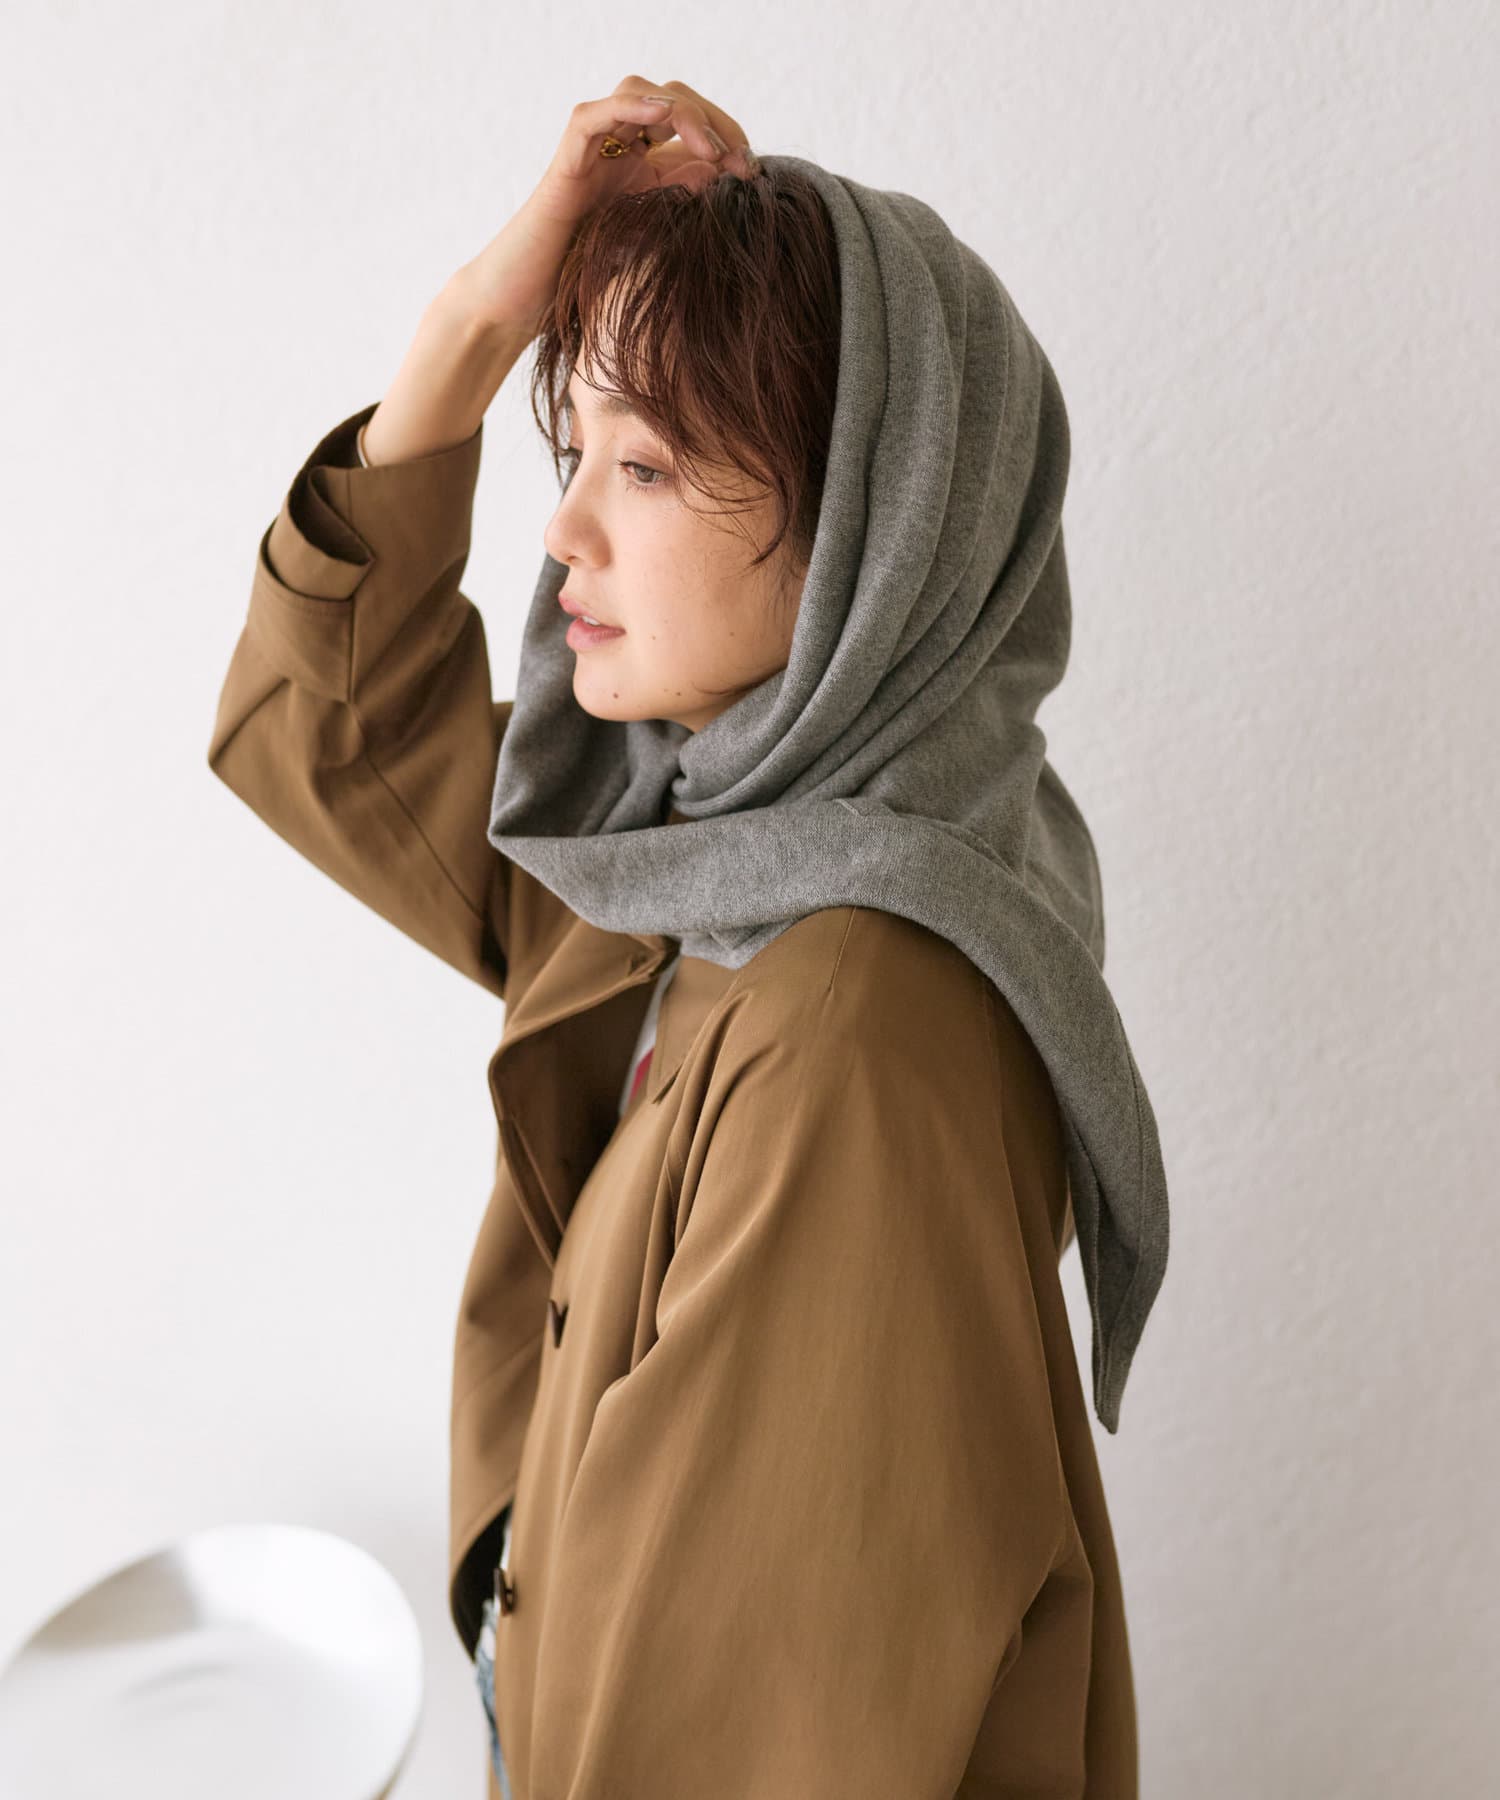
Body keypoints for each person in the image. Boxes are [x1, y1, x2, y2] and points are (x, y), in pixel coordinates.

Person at [207, 75, 1167, 1800]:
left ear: (880, 529)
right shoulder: (702, 849)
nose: (564, 526)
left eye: (646, 464)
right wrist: (475, 323)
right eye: (573, 450)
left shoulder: (856, 1033)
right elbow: (337, 745)